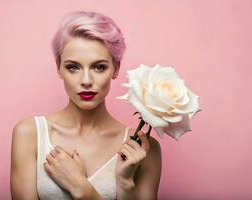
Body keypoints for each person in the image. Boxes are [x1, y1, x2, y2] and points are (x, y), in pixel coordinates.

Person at [10, 11, 162, 200]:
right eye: (73, 67)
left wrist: (82, 186)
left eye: (99, 67)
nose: (86, 81)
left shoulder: (143, 149)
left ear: (115, 68)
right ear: (59, 67)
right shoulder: (29, 134)